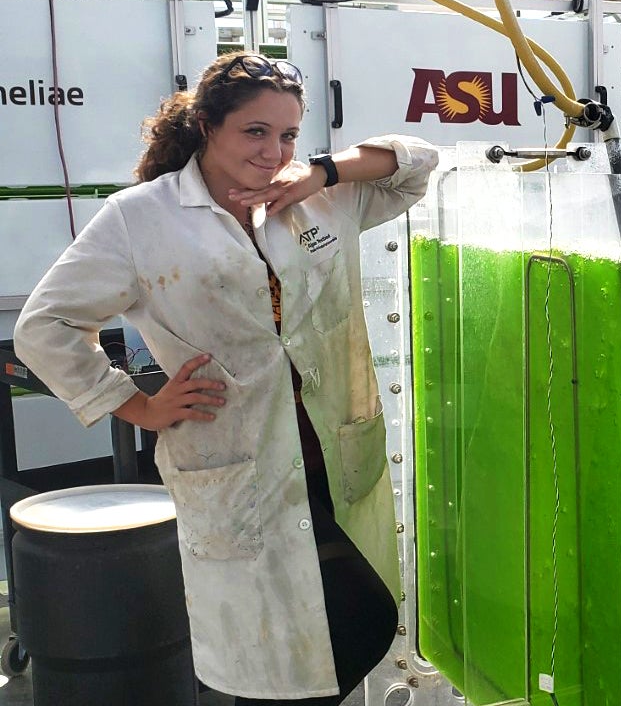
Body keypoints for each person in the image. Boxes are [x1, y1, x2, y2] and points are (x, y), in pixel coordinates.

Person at [15, 51, 438, 704]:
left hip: (331, 454)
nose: (274, 151)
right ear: (208, 127)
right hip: (238, 466)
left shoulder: (320, 198)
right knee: (271, 653)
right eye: (255, 131)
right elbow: (45, 326)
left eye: (288, 134)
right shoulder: (141, 217)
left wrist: (319, 171)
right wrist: (137, 406)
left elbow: (415, 164)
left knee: (347, 626)